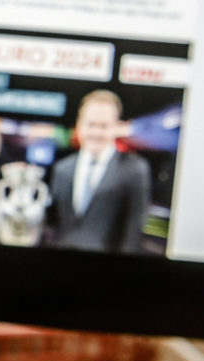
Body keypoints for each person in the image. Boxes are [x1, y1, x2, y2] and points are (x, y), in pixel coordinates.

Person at [49, 90, 151, 252]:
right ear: (79, 125)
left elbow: (133, 231)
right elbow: (53, 226)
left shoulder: (134, 169)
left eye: (103, 126)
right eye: (91, 124)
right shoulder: (62, 169)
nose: (96, 133)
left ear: (116, 127)